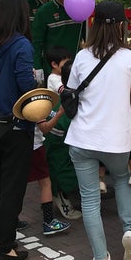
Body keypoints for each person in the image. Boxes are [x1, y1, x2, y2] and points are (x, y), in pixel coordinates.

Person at [65, 0, 131, 260]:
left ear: (94, 24)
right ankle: (130, 231)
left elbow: (72, 91)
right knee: (122, 179)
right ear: (122, 26)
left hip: (82, 137)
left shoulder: (82, 56)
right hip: (117, 139)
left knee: (90, 200)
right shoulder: (129, 58)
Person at [0, 0, 38, 260]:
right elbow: (26, 85)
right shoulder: (21, 45)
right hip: (15, 124)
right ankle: (6, 248)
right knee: (11, 188)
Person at [39, 58, 82, 220]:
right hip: (59, 147)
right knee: (66, 174)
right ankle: (61, 199)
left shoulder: (60, 97)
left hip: (51, 143)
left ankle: (57, 195)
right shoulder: (72, 101)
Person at [31, 0, 84, 84]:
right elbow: (36, 41)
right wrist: (37, 66)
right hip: (54, 67)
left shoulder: (80, 8)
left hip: (76, 63)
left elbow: (86, 36)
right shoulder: (44, 11)